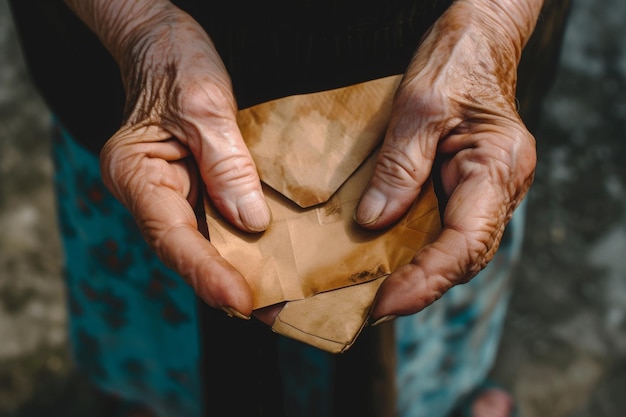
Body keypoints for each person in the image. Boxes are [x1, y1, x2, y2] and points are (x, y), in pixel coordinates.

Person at [7, 0, 571, 416]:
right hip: (130, 92)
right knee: (165, 321)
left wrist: (495, 19)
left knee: (425, 309)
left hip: (451, 114)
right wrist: (135, 25)